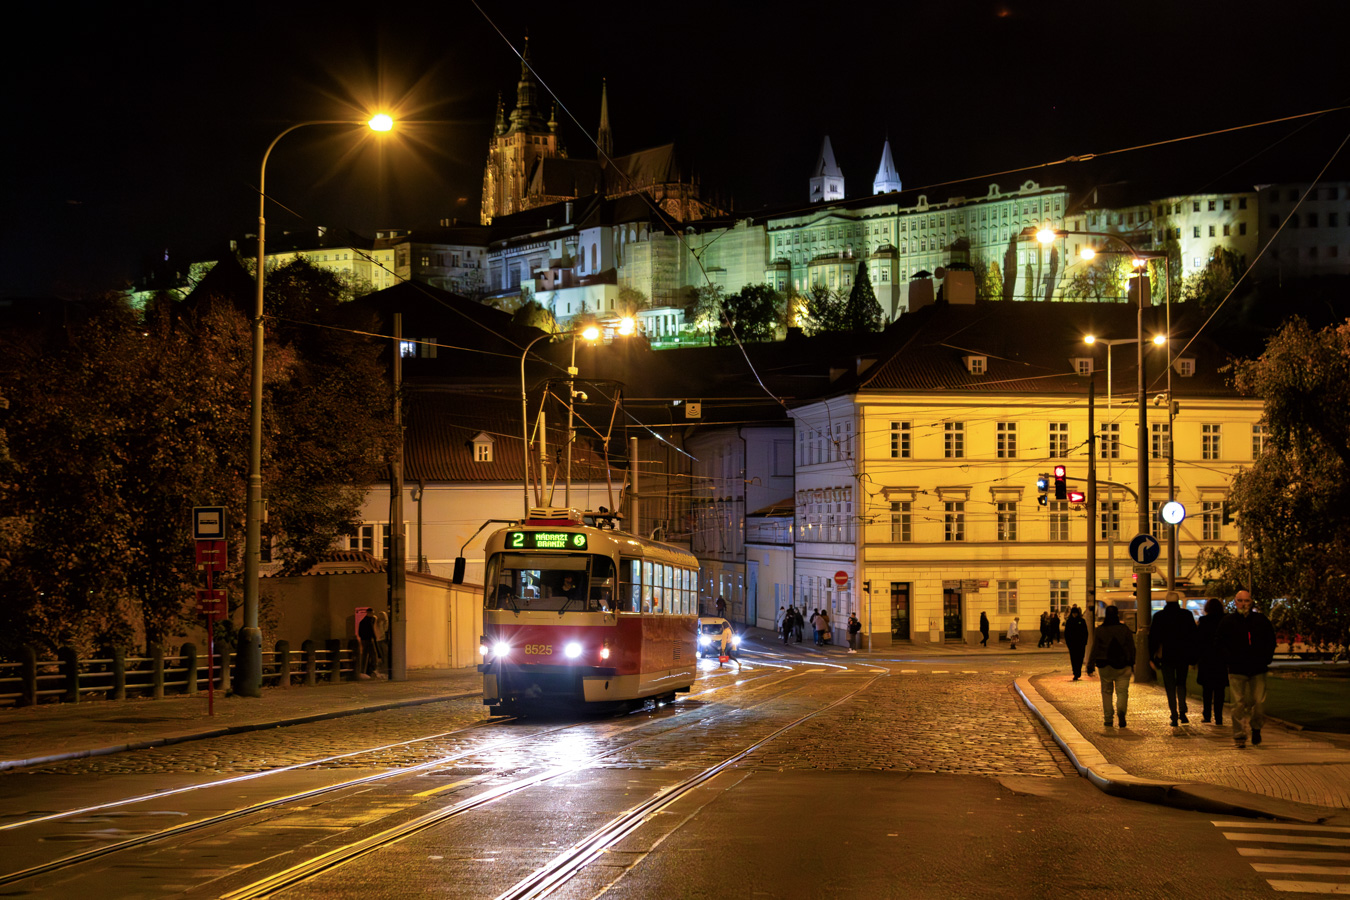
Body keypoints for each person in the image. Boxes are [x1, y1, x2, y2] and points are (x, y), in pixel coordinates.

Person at [1217, 589, 1276, 748]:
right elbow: (1220, 643)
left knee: (1258, 702)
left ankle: (1256, 727)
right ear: (1235, 602)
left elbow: (1270, 640)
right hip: (1237, 668)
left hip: (1258, 668)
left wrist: (1266, 658)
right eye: (1240, 601)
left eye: (1247, 601)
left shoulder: (1260, 620)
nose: (1244, 604)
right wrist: (1229, 658)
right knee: (1238, 704)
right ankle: (1239, 735)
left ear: (1251, 602)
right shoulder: (1228, 622)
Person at [1149, 591, 1199, 727]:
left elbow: (1153, 638)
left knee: (1169, 685)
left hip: (1166, 656)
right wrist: (1193, 657)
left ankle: (1174, 714)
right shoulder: (1186, 615)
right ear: (1177, 602)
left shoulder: (1159, 616)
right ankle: (1183, 710)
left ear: (1166, 602)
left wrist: (1151, 657)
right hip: (1183, 655)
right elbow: (1193, 637)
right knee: (1181, 683)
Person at [1087, 605, 1136, 727]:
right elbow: (1131, 647)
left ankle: (1108, 718)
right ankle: (1121, 711)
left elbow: (1095, 648)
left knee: (1106, 692)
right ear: (1117, 615)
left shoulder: (1100, 630)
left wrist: (1090, 664)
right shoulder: (1124, 629)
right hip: (1123, 665)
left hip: (1104, 665)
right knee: (1122, 691)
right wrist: (1132, 662)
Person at [1195, 597, 1228, 726]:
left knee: (1207, 690)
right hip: (1220, 659)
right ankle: (1219, 717)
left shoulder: (1203, 621)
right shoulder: (1224, 621)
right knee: (1220, 690)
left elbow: (1198, 641)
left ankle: (1207, 715)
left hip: (1206, 659)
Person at [1064, 605, 1089, 680]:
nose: (1075, 615)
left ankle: (1078, 672)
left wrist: (1084, 642)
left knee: (1080, 658)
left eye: (1076, 613)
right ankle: (1075, 672)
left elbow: (1085, 632)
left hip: (1081, 644)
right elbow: (1066, 634)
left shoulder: (1082, 621)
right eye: (1073, 613)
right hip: (1072, 644)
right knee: (1074, 659)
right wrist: (1068, 643)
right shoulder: (1069, 621)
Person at [358, 609, 378, 679]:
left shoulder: (363, 621)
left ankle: (364, 670)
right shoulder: (370, 621)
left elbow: (360, 633)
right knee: (373, 654)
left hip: (364, 639)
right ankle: (373, 669)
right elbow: (371, 630)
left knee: (365, 655)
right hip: (369, 639)